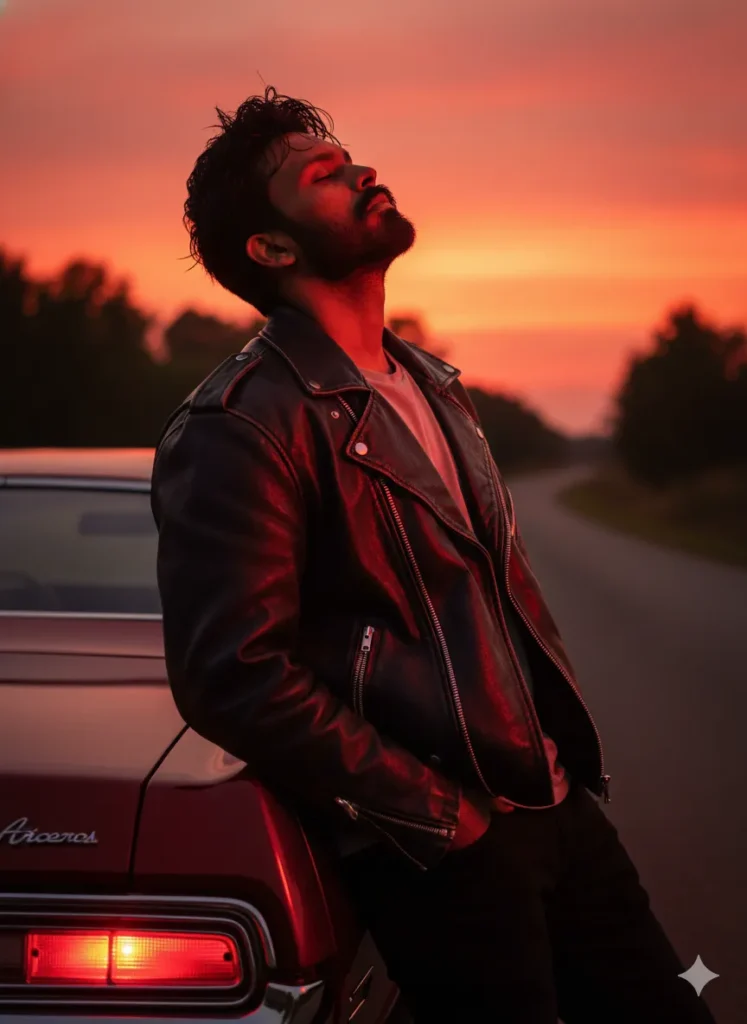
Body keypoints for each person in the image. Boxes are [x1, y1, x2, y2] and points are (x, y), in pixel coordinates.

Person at [150, 86, 717, 1024]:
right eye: (324, 176)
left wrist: (550, 780)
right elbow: (233, 675)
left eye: (350, 159)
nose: (364, 172)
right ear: (273, 248)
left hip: (553, 804)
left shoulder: (429, 384)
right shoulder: (241, 423)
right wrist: (435, 812)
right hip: (446, 851)